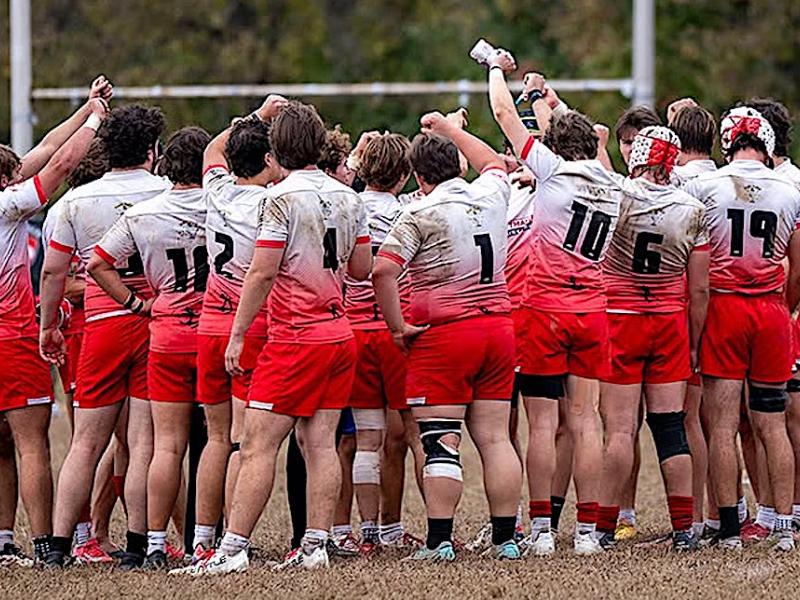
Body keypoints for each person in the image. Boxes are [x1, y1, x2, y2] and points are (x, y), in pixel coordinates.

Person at [186, 100, 371, 574]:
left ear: (277, 150)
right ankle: (315, 546)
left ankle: (231, 551)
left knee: (255, 445)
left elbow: (263, 272)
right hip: (338, 334)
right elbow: (361, 268)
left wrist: (238, 335)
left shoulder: (280, 199)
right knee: (321, 444)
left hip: (295, 338)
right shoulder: (350, 198)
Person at [488, 49, 623, 556]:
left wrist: (495, 69)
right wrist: (548, 97)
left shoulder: (552, 172)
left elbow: (503, 113)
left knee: (543, 424)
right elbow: (582, 138)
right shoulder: (611, 181)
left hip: (543, 307)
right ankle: (587, 531)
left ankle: (543, 529)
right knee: (585, 421)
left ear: (555, 147)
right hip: (591, 309)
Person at [373, 112, 522, 562]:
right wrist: (451, 129)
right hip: (497, 328)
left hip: (445, 335)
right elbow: (492, 162)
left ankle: (439, 542)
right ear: (458, 166)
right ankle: (506, 539)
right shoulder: (491, 194)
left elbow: (383, 270)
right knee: (496, 439)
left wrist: (397, 327)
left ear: (419, 178)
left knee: (440, 440)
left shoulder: (418, 211)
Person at [40, 103, 170, 569]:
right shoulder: (166, 191)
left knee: (84, 442)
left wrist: (48, 325)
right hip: (152, 322)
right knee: (141, 442)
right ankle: (138, 546)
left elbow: (54, 272)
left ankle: (58, 547)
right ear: (151, 149)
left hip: (101, 326)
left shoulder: (75, 202)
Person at [86, 126, 212, 568]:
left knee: (167, 445)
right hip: (212, 330)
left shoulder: (144, 213)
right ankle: (208, 541)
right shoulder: (223, 205)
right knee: (219, 443)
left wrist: (136, 303)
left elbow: (97, 263)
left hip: (167, 331)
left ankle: (154, 543)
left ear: (165, 163)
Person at [0, 76, 109, 565]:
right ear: (6, 182)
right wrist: (96, 122)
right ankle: (45, 544)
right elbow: (60, 163)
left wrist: (85, 108)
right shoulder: (7, 206)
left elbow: (44, 149)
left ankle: (4, 540)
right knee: (32, 445)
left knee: (1, 447)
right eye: (15, 176)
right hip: (12, 336)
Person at [177, 97, 286, 567]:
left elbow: (212, 151)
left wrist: (258, 115)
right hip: (250, 326)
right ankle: (230, 544)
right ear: (268, 159)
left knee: (216, 438)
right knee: (243, 440)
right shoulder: (273, 202)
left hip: (210, 324)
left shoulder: (217, 189)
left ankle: (202, 540)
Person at [685, 106, 800, 551]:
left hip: (724, 308)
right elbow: (798, 267)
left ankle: (730, 528)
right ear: (767, 146)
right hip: (770, 310)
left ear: (727, 143)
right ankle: (784, 526)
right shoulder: (790, 190)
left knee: (722, 425)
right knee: (773, 424)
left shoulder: (704, 186)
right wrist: (783, 306)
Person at [596, 126, 709, 552]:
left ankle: (604, 528)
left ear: (638, 157)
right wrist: (694, 340)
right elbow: (700, 288)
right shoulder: (692, 208)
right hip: (668, 322)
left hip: (620, 320)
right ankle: (683, 528)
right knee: (670, 427)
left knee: (620, 430)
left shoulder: (617, 195)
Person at [41, 138, 119, 563]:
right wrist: (113, 287)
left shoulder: (113, 202)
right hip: (81, 332)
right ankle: (82, 535)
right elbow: (60, 279)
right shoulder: (66, 211)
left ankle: (107, 533)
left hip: (115, 327)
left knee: (130, 439)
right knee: (86, 439)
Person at [343, 131, 420, 554]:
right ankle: (434, 530)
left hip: (356, 332)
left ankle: (371, 532)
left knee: (367, 439)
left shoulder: (347, 206)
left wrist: (357, 156)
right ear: (405, 175)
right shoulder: (410, 211)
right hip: (398, 331)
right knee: (418, 435)